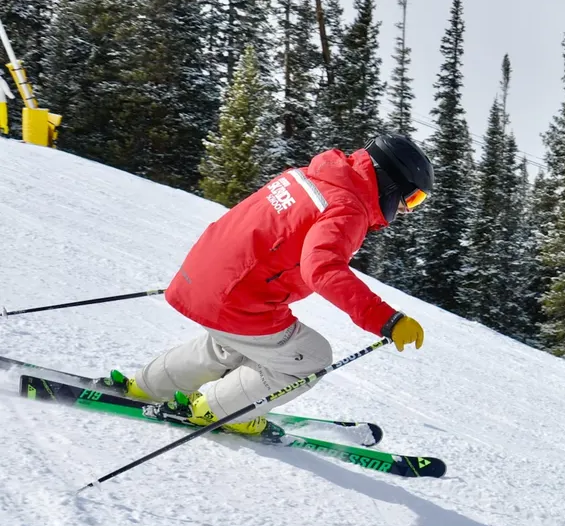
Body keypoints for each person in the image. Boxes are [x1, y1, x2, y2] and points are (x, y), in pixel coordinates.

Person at [106, 134, 434, 435]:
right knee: (311, 357)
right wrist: (386, 319)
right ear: (390, 181)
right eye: (413, 198)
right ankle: (215, 411)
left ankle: (147, 386)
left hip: (204, 276)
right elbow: (322, 268)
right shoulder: (348, 207)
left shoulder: (310, 176)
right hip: (236, 297)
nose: (407, 209)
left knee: (229, 346)